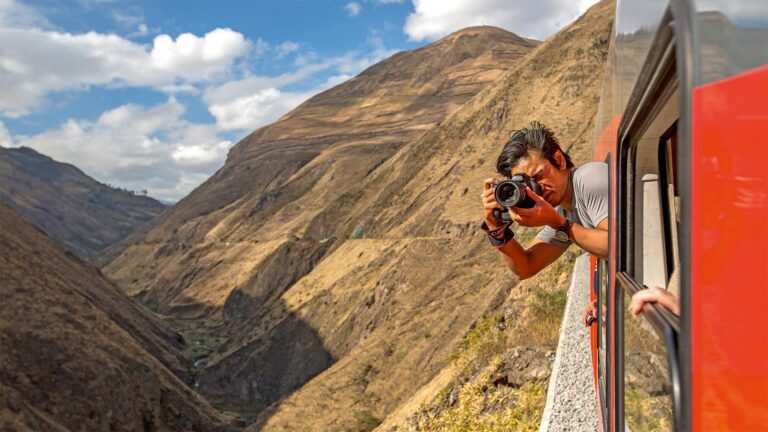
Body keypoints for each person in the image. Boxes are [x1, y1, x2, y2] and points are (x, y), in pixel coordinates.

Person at [480, 121, 609, 321]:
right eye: (527, 185)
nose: (537, 188)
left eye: (539, 175)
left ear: (559, 160)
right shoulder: (563, 211)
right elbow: (525, 267)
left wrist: (558, 223)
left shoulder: (588, 178)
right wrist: (495, 228)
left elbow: (618, 245)